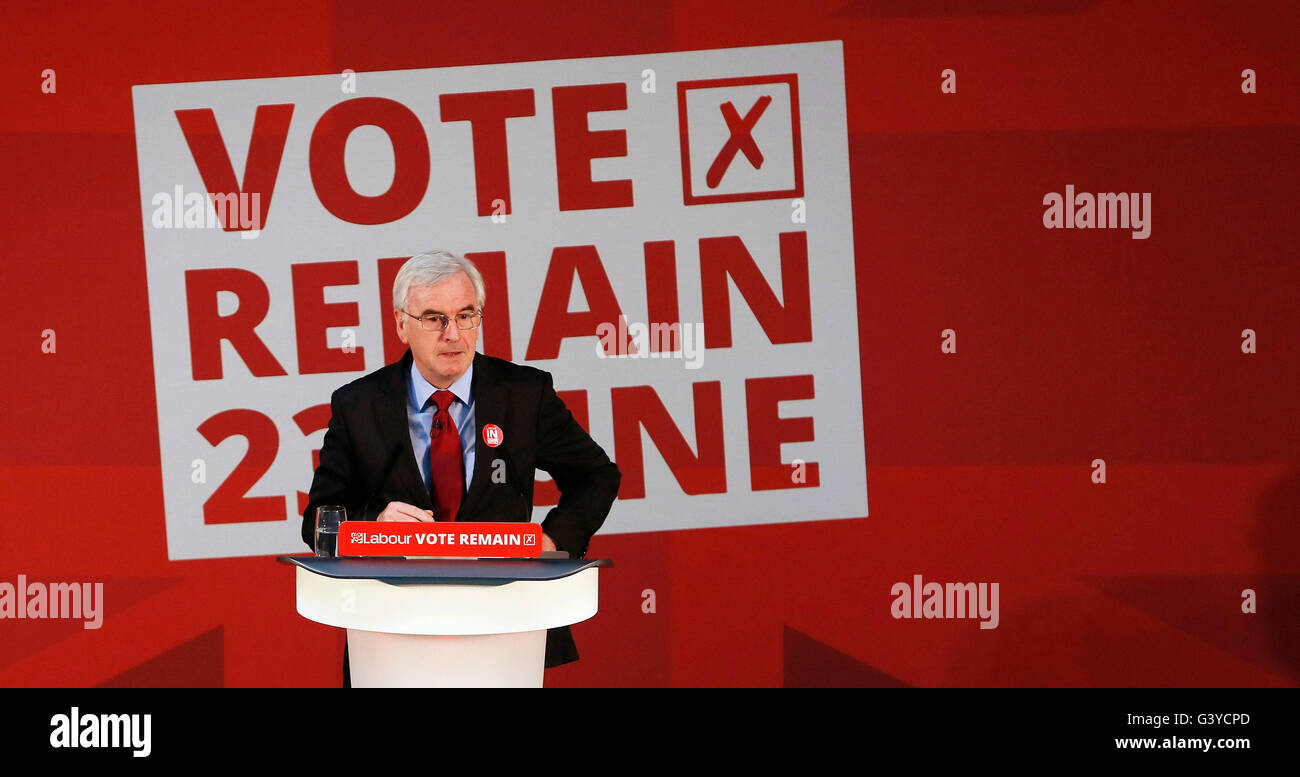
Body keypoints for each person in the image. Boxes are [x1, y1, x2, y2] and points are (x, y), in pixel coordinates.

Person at [301, 249, 621, 680]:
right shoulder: (358, 405)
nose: (453, 334)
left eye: (466, 315)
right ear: (401, 324)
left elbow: (596, 476)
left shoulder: (524, 394)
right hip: (393, 631)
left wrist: (552, 539)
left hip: (507, 623)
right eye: (434, 319)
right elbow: (319, 520)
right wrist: (374, 525)